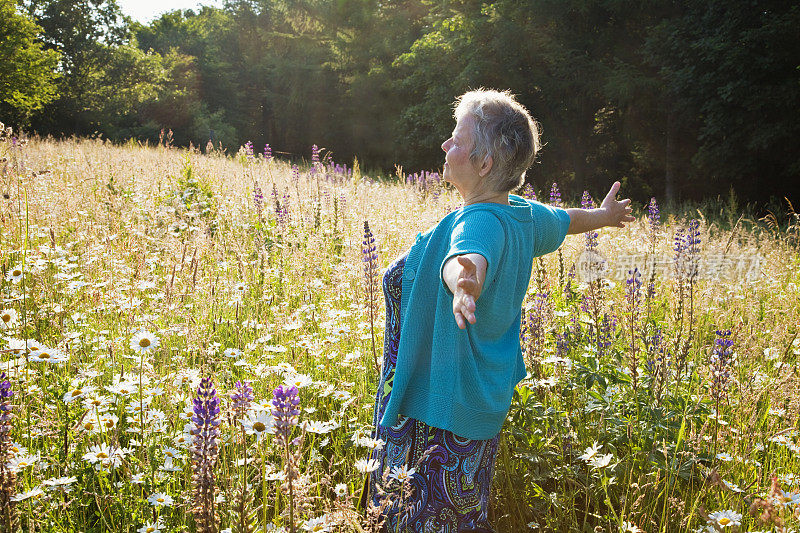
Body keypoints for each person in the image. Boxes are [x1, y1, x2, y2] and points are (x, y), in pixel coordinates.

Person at [367, 88, 634, 532]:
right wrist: (602, 217)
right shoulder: (522, 215)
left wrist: (463, 282)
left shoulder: (480, 222)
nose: (445, 145)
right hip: (475, 404)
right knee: (461, 514)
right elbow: (565, 220)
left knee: (421, 518)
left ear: (484, 164)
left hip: (437, 407)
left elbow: (466, 256)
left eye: (456, 139)